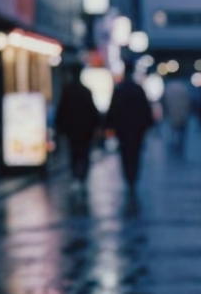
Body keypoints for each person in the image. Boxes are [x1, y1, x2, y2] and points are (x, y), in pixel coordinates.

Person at [105, 58, 155, 198]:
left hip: (122, 127)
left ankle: (128, 176)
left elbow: (112, 108)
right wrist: (149, 125)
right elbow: (146, 109)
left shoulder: (119, 89)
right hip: (137, 128)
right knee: (136, 153)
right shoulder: (138, 89)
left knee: (125, 153)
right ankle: (133, 177)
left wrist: (109, 124)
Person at [54, 60, 100, 195]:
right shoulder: (85, 91)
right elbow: (93, 112)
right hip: (85, 130)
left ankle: (76, 177)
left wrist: (60, 127)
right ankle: (82, 177)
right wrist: (96, 126)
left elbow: (61, 111)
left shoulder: (67, 91)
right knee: (84, 154)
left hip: (72, 129)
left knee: (74, 153)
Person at [161, 76, 192, 156]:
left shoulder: (168, 87)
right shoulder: (184, 87)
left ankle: (174, 144)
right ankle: (179, 145)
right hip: (183, 113)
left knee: (173, 130)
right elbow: (189, 101)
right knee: (181, 131)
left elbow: (164, 101)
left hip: (172, 112)